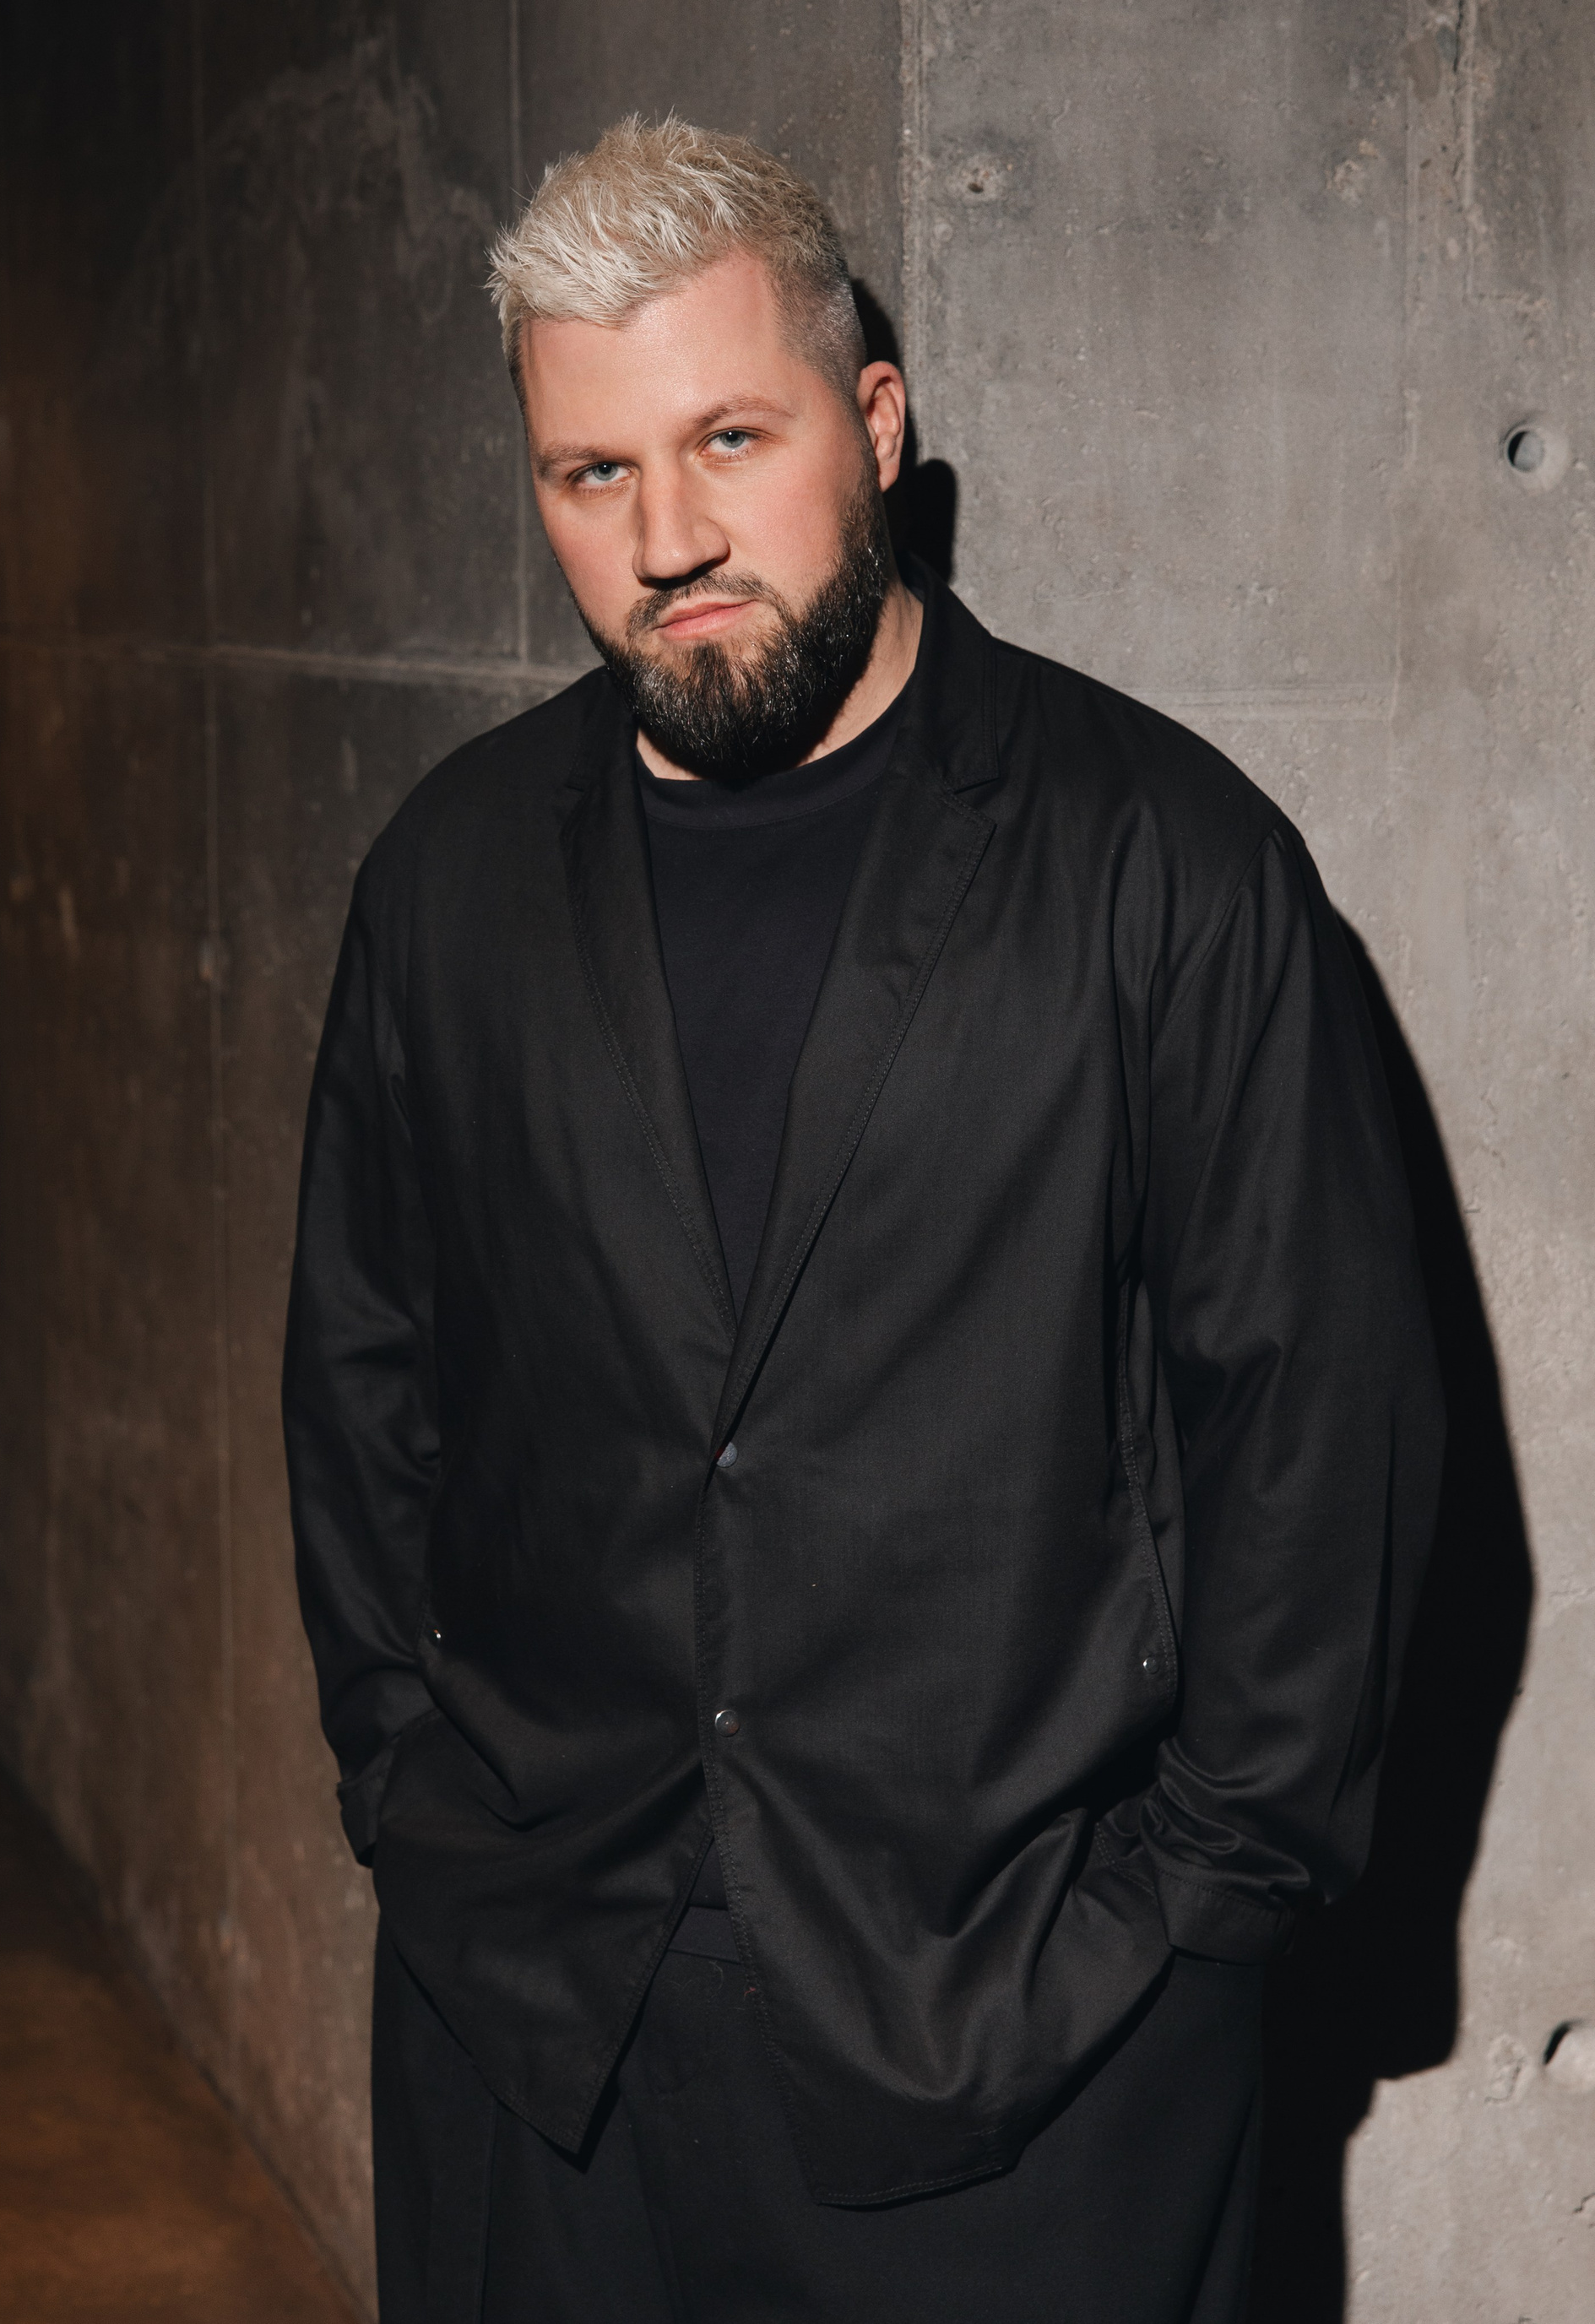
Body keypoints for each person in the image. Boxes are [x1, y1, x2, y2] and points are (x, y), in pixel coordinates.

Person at [284, 115, 1443, 2324]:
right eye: (592, 472)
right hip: (541, 2036)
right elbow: (363, 1392)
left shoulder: (1165, 863)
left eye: (732, 438)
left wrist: (1188, 1928)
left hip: (1028, 2060)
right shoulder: (448, 878)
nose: (670, 538)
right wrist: (415, 1810)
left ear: (878, 425)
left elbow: (1318, 1443)